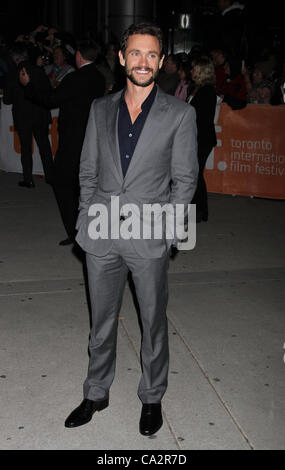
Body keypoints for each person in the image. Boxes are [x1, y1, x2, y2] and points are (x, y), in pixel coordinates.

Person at [64, 23, 198, 435]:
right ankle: (96, 391)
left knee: (152, 321)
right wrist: (86, 219)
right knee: (101, 319)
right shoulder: (100, 109)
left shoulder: (180, 114)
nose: (143, 61)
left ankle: (152, 395)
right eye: (136, 53)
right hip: (102, 232)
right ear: (122, 58)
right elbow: (87, 169)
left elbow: (185, 180)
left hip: (149, 234)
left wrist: (169, 233)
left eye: (151, 55)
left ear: (160, 61)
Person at [19, 41, 105, 245]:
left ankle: (76, 232)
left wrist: (28, 85)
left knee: (63, 183)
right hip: (93, 137)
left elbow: (50, 100)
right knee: (83, 184)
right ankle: (89, 228)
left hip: (73, 139)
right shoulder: (98, 77)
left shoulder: (75, 78)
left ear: (79, 55)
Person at [3, 44, 53, 187]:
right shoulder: (38, 70)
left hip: (23, 115)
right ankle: (50, 176)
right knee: (44, 146)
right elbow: (49, 91)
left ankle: (28, 179)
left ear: (13, 59)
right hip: (40, 113)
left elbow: (6, 100)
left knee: (25, 148)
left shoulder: (12, 74)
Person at [188, 56, 217, 223]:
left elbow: (202, 118)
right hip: (195, 137)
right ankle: (198, 208)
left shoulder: (207, 92)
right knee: (194, 173)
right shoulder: (196, 88)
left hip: (202, 138)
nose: (191, 71)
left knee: (196, 173)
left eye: (194, 69)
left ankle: (200, 210)